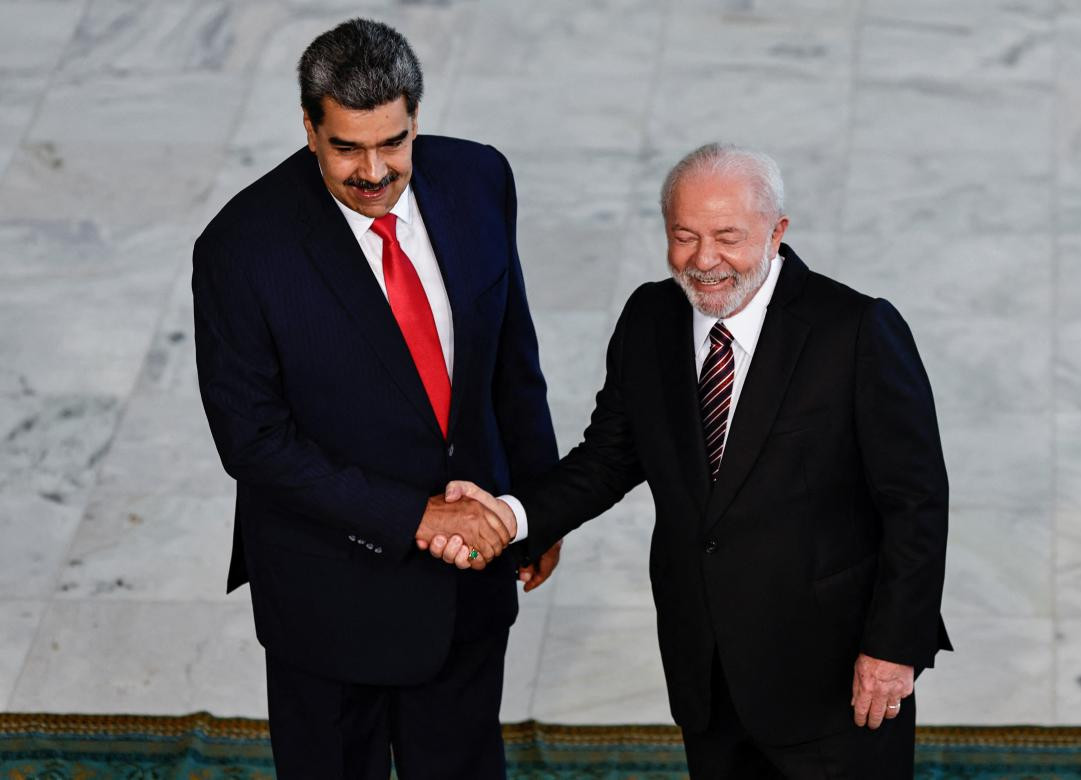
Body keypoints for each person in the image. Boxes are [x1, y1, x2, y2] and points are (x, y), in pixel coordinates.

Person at [430, 143, 952, 778]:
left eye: (727, 237)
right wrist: (510, 516)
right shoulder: (650, 318)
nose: (704, 261)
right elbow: (607, 459)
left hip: (835, 678)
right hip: (705, 668)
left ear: (777, 231)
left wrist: (893, 649)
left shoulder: (857, 330)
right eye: (684, 237)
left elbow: (916, 503)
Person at [191, 18, 561, 779]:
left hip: (469, 580)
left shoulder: (479, 179)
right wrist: (418, 515)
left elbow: (510, 362)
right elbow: (254, 443)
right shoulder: (240, 250)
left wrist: (539, 504)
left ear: (416, 118)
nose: (374, 171)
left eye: (392, 142)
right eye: (346, 147)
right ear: (308, 127)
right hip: (330, 596)